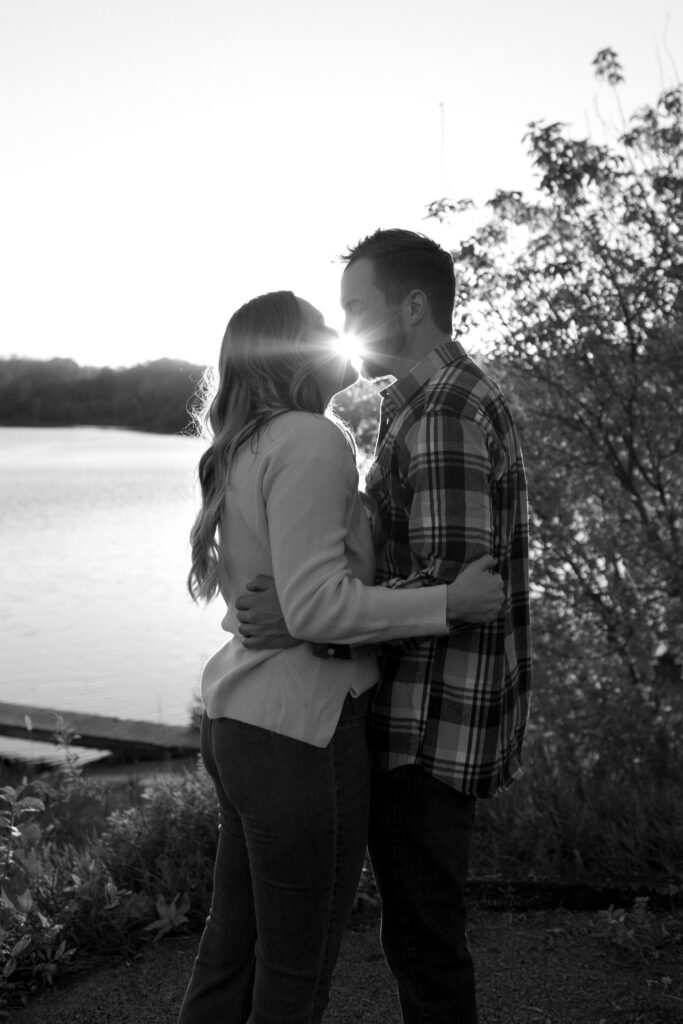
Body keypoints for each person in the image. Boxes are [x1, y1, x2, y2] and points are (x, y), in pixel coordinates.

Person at [178, 289, 504, 1024]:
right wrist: (448, 603)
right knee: (292, 976)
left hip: (239, 724)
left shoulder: (247, 442)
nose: (340, 333)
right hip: (303, 734)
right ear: (293, 352)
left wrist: (300, 611)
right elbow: (315, 604)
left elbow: (282, 599)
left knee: (228, 956)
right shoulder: (310, 439)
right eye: (323, 326)